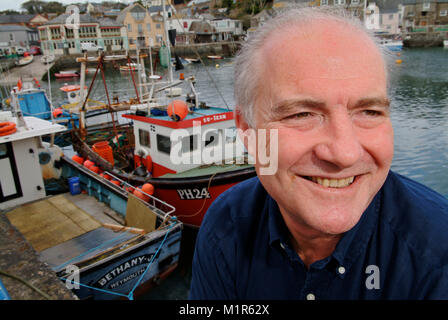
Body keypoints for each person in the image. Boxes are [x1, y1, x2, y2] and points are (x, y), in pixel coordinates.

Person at [188, 7, 448, 300]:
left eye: (369, 111)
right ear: (247, 129)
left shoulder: (438, 256)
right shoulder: (226, 227)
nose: (345, 153)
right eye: (301, 114)